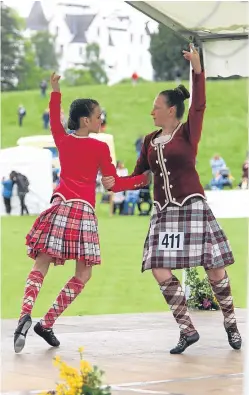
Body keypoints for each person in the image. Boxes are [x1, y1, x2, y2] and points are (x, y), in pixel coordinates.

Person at [102, 44, 242, 354]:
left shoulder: (187, 130)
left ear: (170, 110)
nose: (151, 111)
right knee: (158, 267)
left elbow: (200, 104)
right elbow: (142, 176)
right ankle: (186, 329)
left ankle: (231, 323)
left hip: (191, 206)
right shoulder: (150, 141)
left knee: (214, 269)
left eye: (155, 106)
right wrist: (116, 185)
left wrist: (197, 69)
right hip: (163, 212)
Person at [13, 72, 149, 354]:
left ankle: (25, 315)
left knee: (41, 264)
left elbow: (53, 118)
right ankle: (47, 322)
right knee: (83, 274)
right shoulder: (100, 147)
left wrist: (55, 89)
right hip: (83, 213)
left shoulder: (63, 140)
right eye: (99, 115)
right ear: (86, 120)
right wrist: (144, 179)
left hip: (60, 206)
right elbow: (113, 184)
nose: (102, 119)